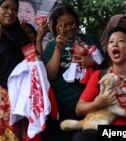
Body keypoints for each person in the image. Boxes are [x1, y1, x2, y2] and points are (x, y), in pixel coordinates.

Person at [41, 5, 107, 141]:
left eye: (71, 23)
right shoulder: (51, 46)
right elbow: (50, 75)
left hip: (91, 104)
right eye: (62, 25)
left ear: (77, 22)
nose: (68, 28)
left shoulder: (90, 39)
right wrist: (58, 50)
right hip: (63, 106)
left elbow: (105, 66)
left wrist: (93, 62)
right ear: (57, 27)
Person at [0, 0, 38, 140]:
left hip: (18, 101)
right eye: (5, 7)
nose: (10, 12)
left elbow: (34, 65)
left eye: (14, 9)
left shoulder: (23, 37)